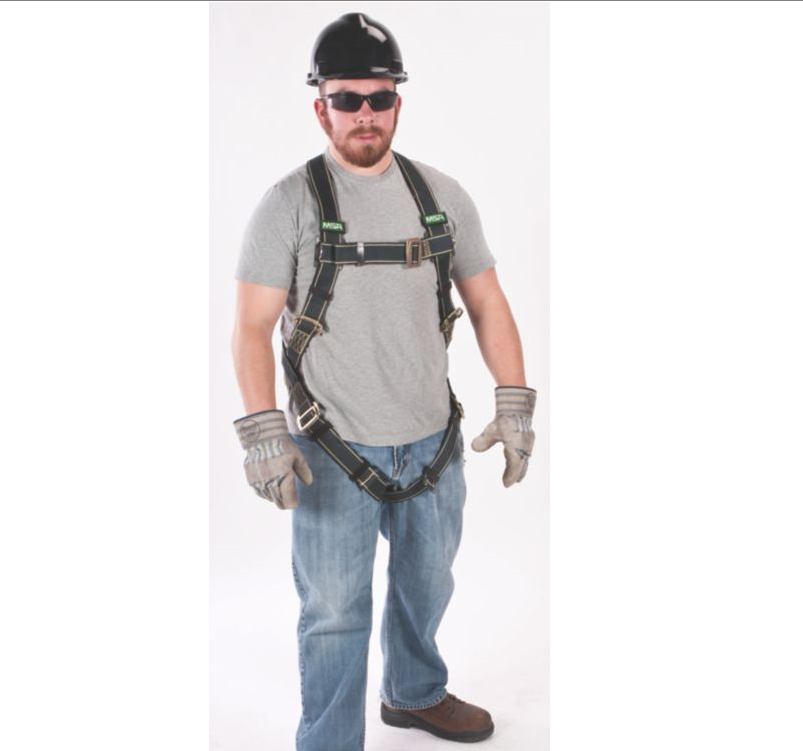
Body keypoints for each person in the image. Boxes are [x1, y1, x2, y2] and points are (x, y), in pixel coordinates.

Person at [231, 12, 537, 750]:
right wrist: (264, 432)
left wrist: (514, 402)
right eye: (347, 99)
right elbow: (250, 326)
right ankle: (330, 740)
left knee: (427, 586)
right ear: (321, 109)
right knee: (334, 612)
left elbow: (488, 302)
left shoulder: (440, 196)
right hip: (333, 450)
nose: (364, 113)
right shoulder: (289, 204)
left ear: (398, 102)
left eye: (378, 97)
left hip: (432, 443)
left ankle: (413, 693)